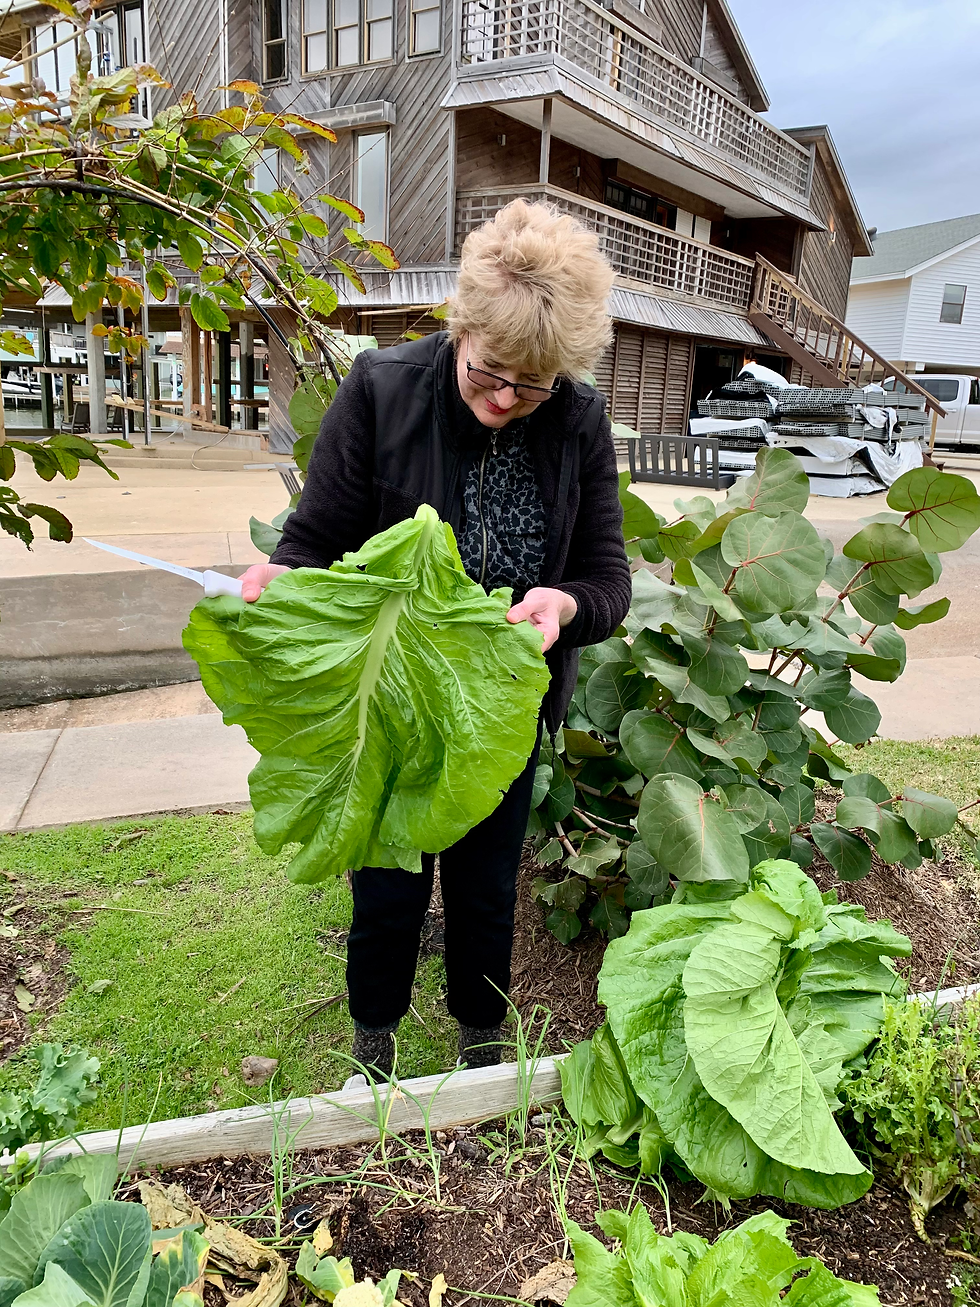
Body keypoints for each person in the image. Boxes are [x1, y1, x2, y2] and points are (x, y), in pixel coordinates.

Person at [238, 199, 631, 1080]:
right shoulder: (381, 390)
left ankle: (480, 1046)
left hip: (496, 710)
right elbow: (314, 540)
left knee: (488, 889)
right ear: (460, 331)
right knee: (387, 889)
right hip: (392, 706)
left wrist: (562, 606)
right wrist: (286, 581)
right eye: (490, 373)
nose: (504, 399)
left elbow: (609, 579)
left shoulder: (577, 421)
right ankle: (372, 1045)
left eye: (530, 387)